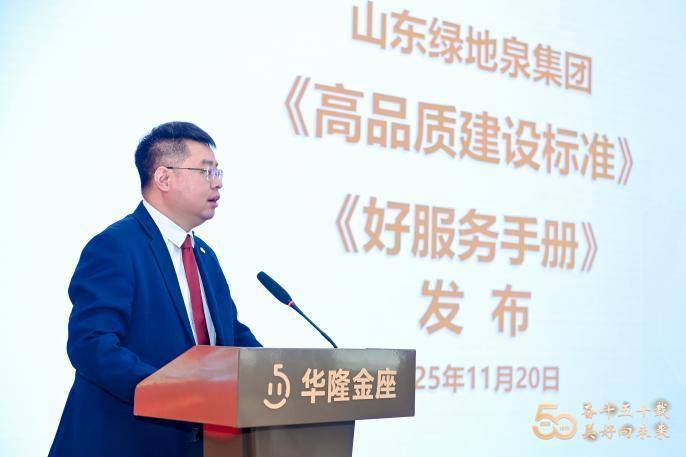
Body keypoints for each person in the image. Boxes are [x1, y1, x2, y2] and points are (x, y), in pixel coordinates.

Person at [48, 122, 260, 457]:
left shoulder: (204, 255)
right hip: (126, 443)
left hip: (205, 445)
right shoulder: (116, 246)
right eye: (206, 171)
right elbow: (91, 344)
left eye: (218, 171)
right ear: (163, 178)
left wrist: (276, 375)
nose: (218, 182)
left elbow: (230, 335)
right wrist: (175, 393)